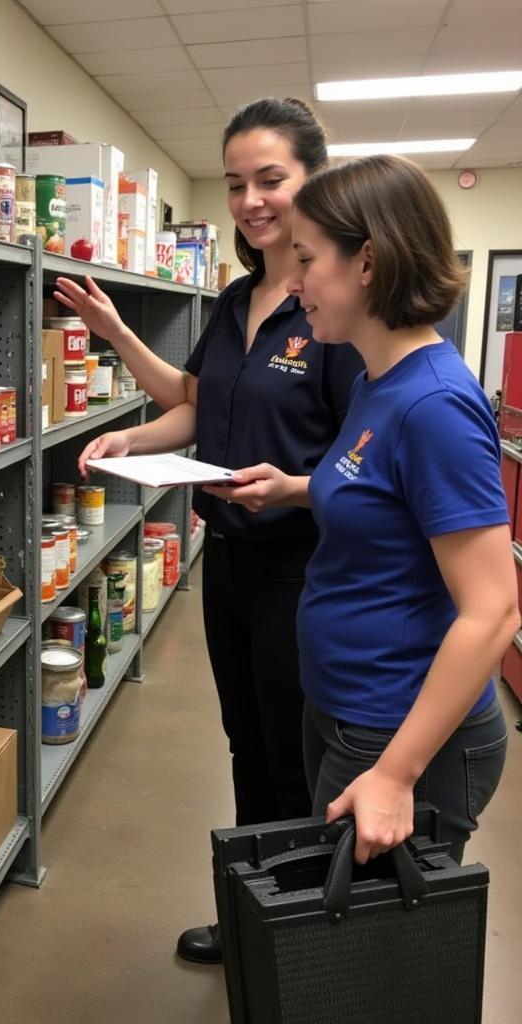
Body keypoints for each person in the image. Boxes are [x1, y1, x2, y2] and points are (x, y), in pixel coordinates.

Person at [57, 97, 363, 964]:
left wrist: (297, 489)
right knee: (245, 743)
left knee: (296, 758)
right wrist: (124, 405)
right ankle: (250, 914)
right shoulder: (234, 301)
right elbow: (193, 409)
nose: (251, 201)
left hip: (303, 569)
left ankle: (301, 936)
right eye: (236, 184)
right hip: (225, 558)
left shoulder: (333, 305)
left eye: (271, 179)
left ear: (314, 180)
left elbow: (364, 456)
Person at [203, 154, 515, 866]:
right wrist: (289, 486)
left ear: (367, 262)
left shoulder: (434, 404)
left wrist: (399, 773)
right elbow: (382, 494)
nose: (292, 280)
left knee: (366, 963)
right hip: (344, 703)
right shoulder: (380, 380)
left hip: (397, 725)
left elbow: (494, 609)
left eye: (307, 259)